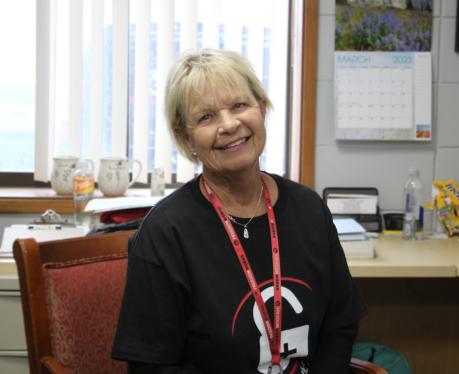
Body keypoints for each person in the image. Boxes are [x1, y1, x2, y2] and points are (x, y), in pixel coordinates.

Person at [112, 49, 366, 373]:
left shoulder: (310, 210)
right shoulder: (165, 233)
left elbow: (339, 326)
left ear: (261, 108)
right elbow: (151, 367)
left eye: (239, 106)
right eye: (206, 117)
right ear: (183, 135)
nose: (229, 124)